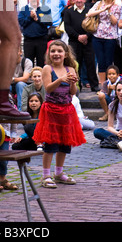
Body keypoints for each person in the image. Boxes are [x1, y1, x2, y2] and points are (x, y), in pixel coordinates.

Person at [33, 40, 86, 188]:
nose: (56, 54)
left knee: (64, 143)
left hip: (66, 110)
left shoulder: (71, 68)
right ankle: (45, 175)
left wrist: (73, 82)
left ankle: (59, 173)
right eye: (53, 51)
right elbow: (48, 89)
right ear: (49, 54)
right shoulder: (47, 69)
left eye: (59, 51)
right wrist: (61, 79)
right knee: (50, 143)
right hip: (51, 110)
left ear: (66, 54)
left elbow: (73, 93)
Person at [64, 0, 99, 92]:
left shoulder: (90, 10)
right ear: (73, 0)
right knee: (75, 64)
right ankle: (76, 85)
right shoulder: (68, 12)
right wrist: (78, 36)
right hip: (74, 42)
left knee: (91, 63)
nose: (79, 0)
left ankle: (94, 85)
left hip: (88, 41)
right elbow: (67, 27)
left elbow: (94, 25)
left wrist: (86, 36)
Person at [86, 0, 121, 85]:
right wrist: (102, 10)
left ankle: (110, 84)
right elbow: (89, 14)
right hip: (98, 36)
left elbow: (114, 22)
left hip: (110, 37)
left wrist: (109, 11)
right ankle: (102, 85)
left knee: (108, 62)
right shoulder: (98, 4)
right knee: (100, 62)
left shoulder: (117, 6)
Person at [18, 0, 51, 68]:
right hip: (28, 40)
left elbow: (49, 22)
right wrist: (30, 17)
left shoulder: (45, 9)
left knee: (41, 62)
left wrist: (38, 19)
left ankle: (42, 79)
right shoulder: (24, 9)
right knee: (29, 62)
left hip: (41, 39)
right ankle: (29, 79)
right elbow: (21, 23)